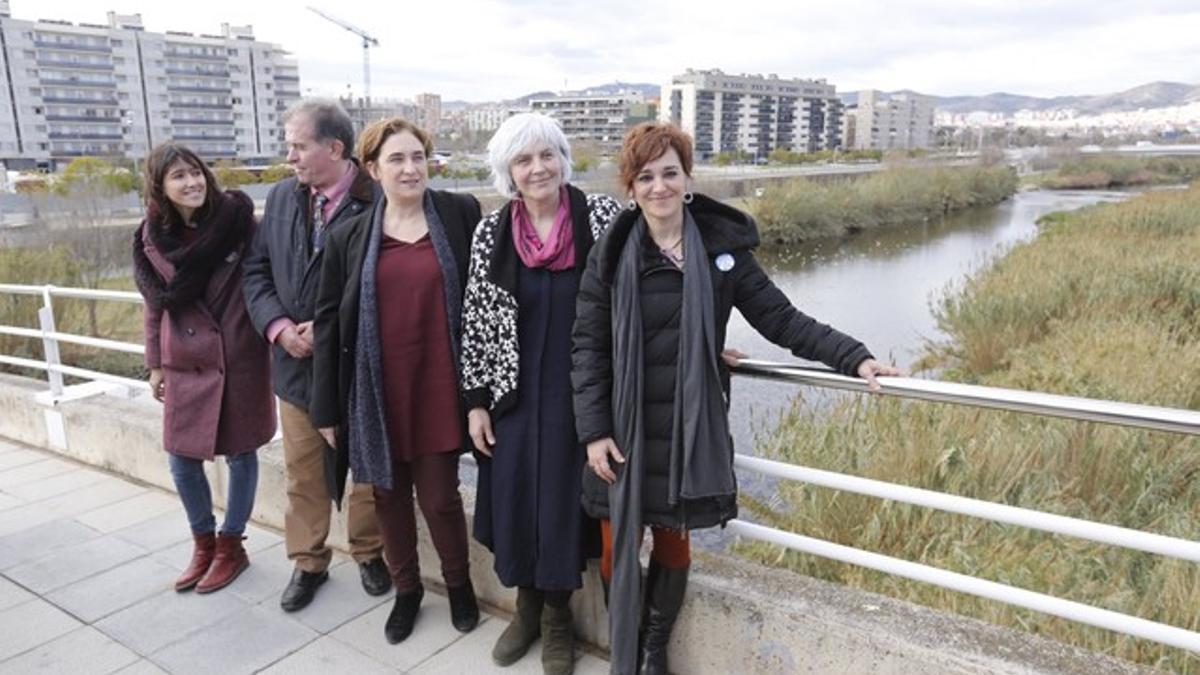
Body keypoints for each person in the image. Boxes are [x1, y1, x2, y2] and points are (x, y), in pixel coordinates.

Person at [571, 122, 900, 675]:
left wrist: (855, 356)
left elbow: (781, 319)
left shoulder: (722, 253)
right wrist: (593, 430)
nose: (659, 187)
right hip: (624, 433)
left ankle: (653, 647)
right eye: (645, 177)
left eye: (669, 173)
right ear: (631, 187)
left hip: (687, 431)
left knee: (675, 549)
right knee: (613, 549)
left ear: (688, 178)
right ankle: (624, 643)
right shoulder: (611, 255)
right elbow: (588, 346)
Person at [310, 117, 482, 645]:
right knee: (387, 498)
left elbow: (486, 301)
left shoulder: (459, 214)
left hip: (439, 386)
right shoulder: (349, 236)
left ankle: (458, 586)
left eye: (418, 157)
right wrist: (326, 411)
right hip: (376, 392)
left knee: (440, 499)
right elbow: (328, 323)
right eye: (397, 160)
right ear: (372, 169)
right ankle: (406, 591)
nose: (411, 169)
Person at [461, 113, 621, 674]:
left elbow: (640, 295)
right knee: (514, 501)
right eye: (524, 160)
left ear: (562, 159)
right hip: (514, 393)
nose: (537, 168)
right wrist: (477, 400)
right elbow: (476, 319)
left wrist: (708, 340)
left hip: (579, 393)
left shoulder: (600, 218)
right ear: (508, 170)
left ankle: (557, 619)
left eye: (546, 155)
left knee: (561, 506)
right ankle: (524, 609)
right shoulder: (491, 231)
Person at [242, 99, 388, 612]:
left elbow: (388, 288)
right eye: (290, 147)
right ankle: (308, 562)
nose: (291, 157)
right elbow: (256, 272)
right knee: (303, 472)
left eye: (299, 146)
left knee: (367, 469)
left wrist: (328, 331)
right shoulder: (282, 198)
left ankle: (370, 552)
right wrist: (280, 329)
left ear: (335, 148)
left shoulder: (378, 201)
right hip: (295, 366)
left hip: (356, 369)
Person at [132, 143, 275, 594]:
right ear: (160, 187)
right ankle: (203, 543)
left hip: (237, 355)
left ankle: (232, 544)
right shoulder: (150, 236)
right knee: (181, 458)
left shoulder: (237, 222)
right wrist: (154, 363)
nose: (191, 182)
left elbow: (262, 277)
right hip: (185, 361)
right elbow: (155, 305)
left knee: (241, 452)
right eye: (178, 176)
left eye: (195, 172)